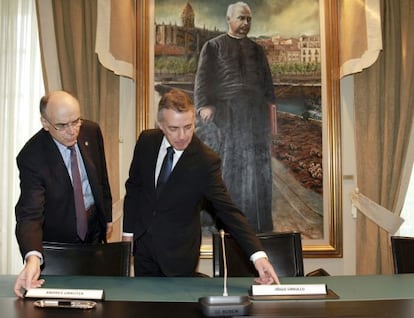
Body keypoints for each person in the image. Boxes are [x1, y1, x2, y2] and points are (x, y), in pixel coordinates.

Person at [122, 88, 279, 285]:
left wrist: (258, 256)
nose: (182, 136)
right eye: (173, 128)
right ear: (160, 125)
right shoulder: (147, 141)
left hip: (178, 255)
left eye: (188, 127)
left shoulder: (206, 161)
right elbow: (134, 188)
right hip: (143, 247)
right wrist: (128, 235)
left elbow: (228, 211)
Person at [13, 90, 113, 297]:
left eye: (76, 121)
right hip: (56, 244)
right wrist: (32, 258)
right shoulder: (32, 156)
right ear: (45, 123)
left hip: (93, 234)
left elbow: (101, 178)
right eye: (62, 125)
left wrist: (107, 217)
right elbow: (29, 213)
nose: (72, 131)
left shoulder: (91, 131)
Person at [194, 1, 276, 233]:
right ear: (229, 19)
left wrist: (271, 116)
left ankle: (257, 222)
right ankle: (224, 221)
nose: (245, 23)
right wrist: (205, 106)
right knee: (228, 166)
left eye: (248, 19)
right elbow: (202, 80)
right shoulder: (213, 46)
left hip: (255, 117)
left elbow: (268, 86)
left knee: (257, 169)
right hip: (226, 114)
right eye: (241, 18)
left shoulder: (257, 50)